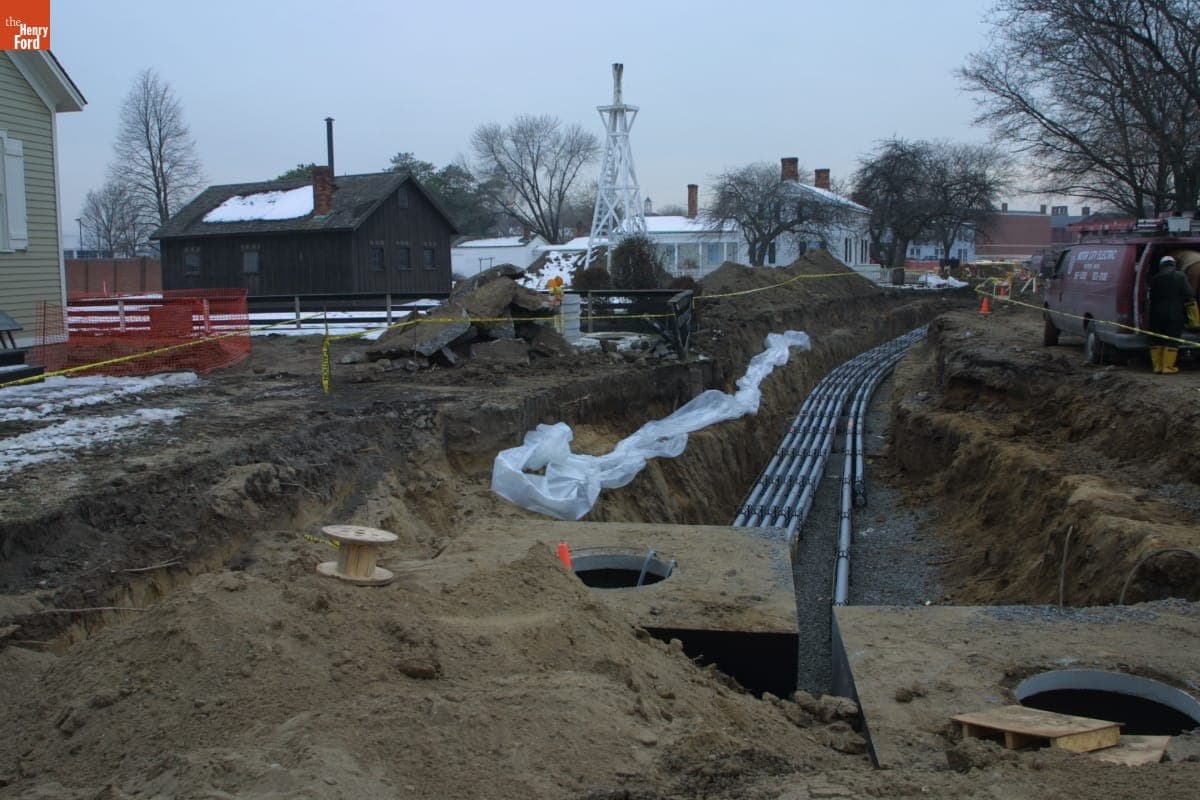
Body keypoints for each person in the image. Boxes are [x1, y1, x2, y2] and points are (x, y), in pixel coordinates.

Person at [1147, 255, 1193, 374]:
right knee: (1172, 339)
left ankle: (1157, 367)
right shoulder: (1180, 276)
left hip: (1155, 314)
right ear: (1173, 265)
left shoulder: (1154, 279)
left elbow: (1149, 297)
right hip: (1174, 314)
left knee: (1156, 338)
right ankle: (1168, 367)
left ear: (1160, 266)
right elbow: (1189, 294)